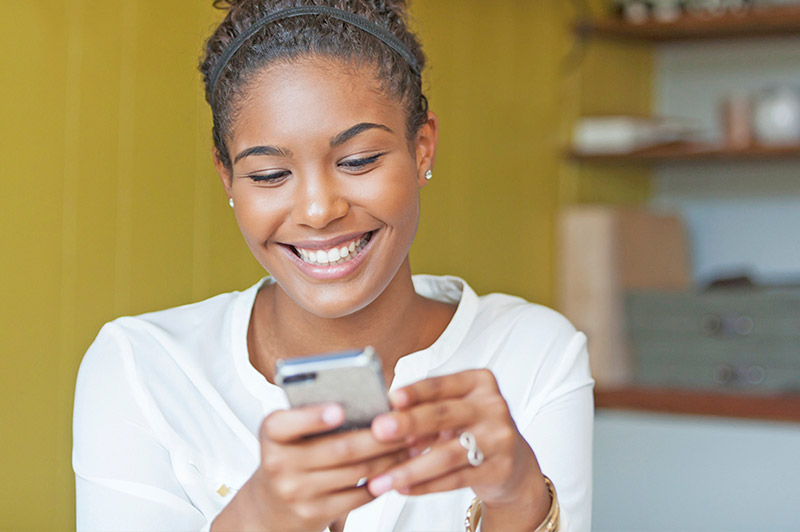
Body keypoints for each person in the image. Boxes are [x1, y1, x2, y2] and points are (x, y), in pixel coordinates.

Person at [72, 1, 594, 531]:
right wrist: (255, 517)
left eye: (358, 161)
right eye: (270, 174)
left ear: (422, 147)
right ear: (227, 176)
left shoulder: (532, 355)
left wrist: (519, 500)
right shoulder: (142, 369)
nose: (319, 210)